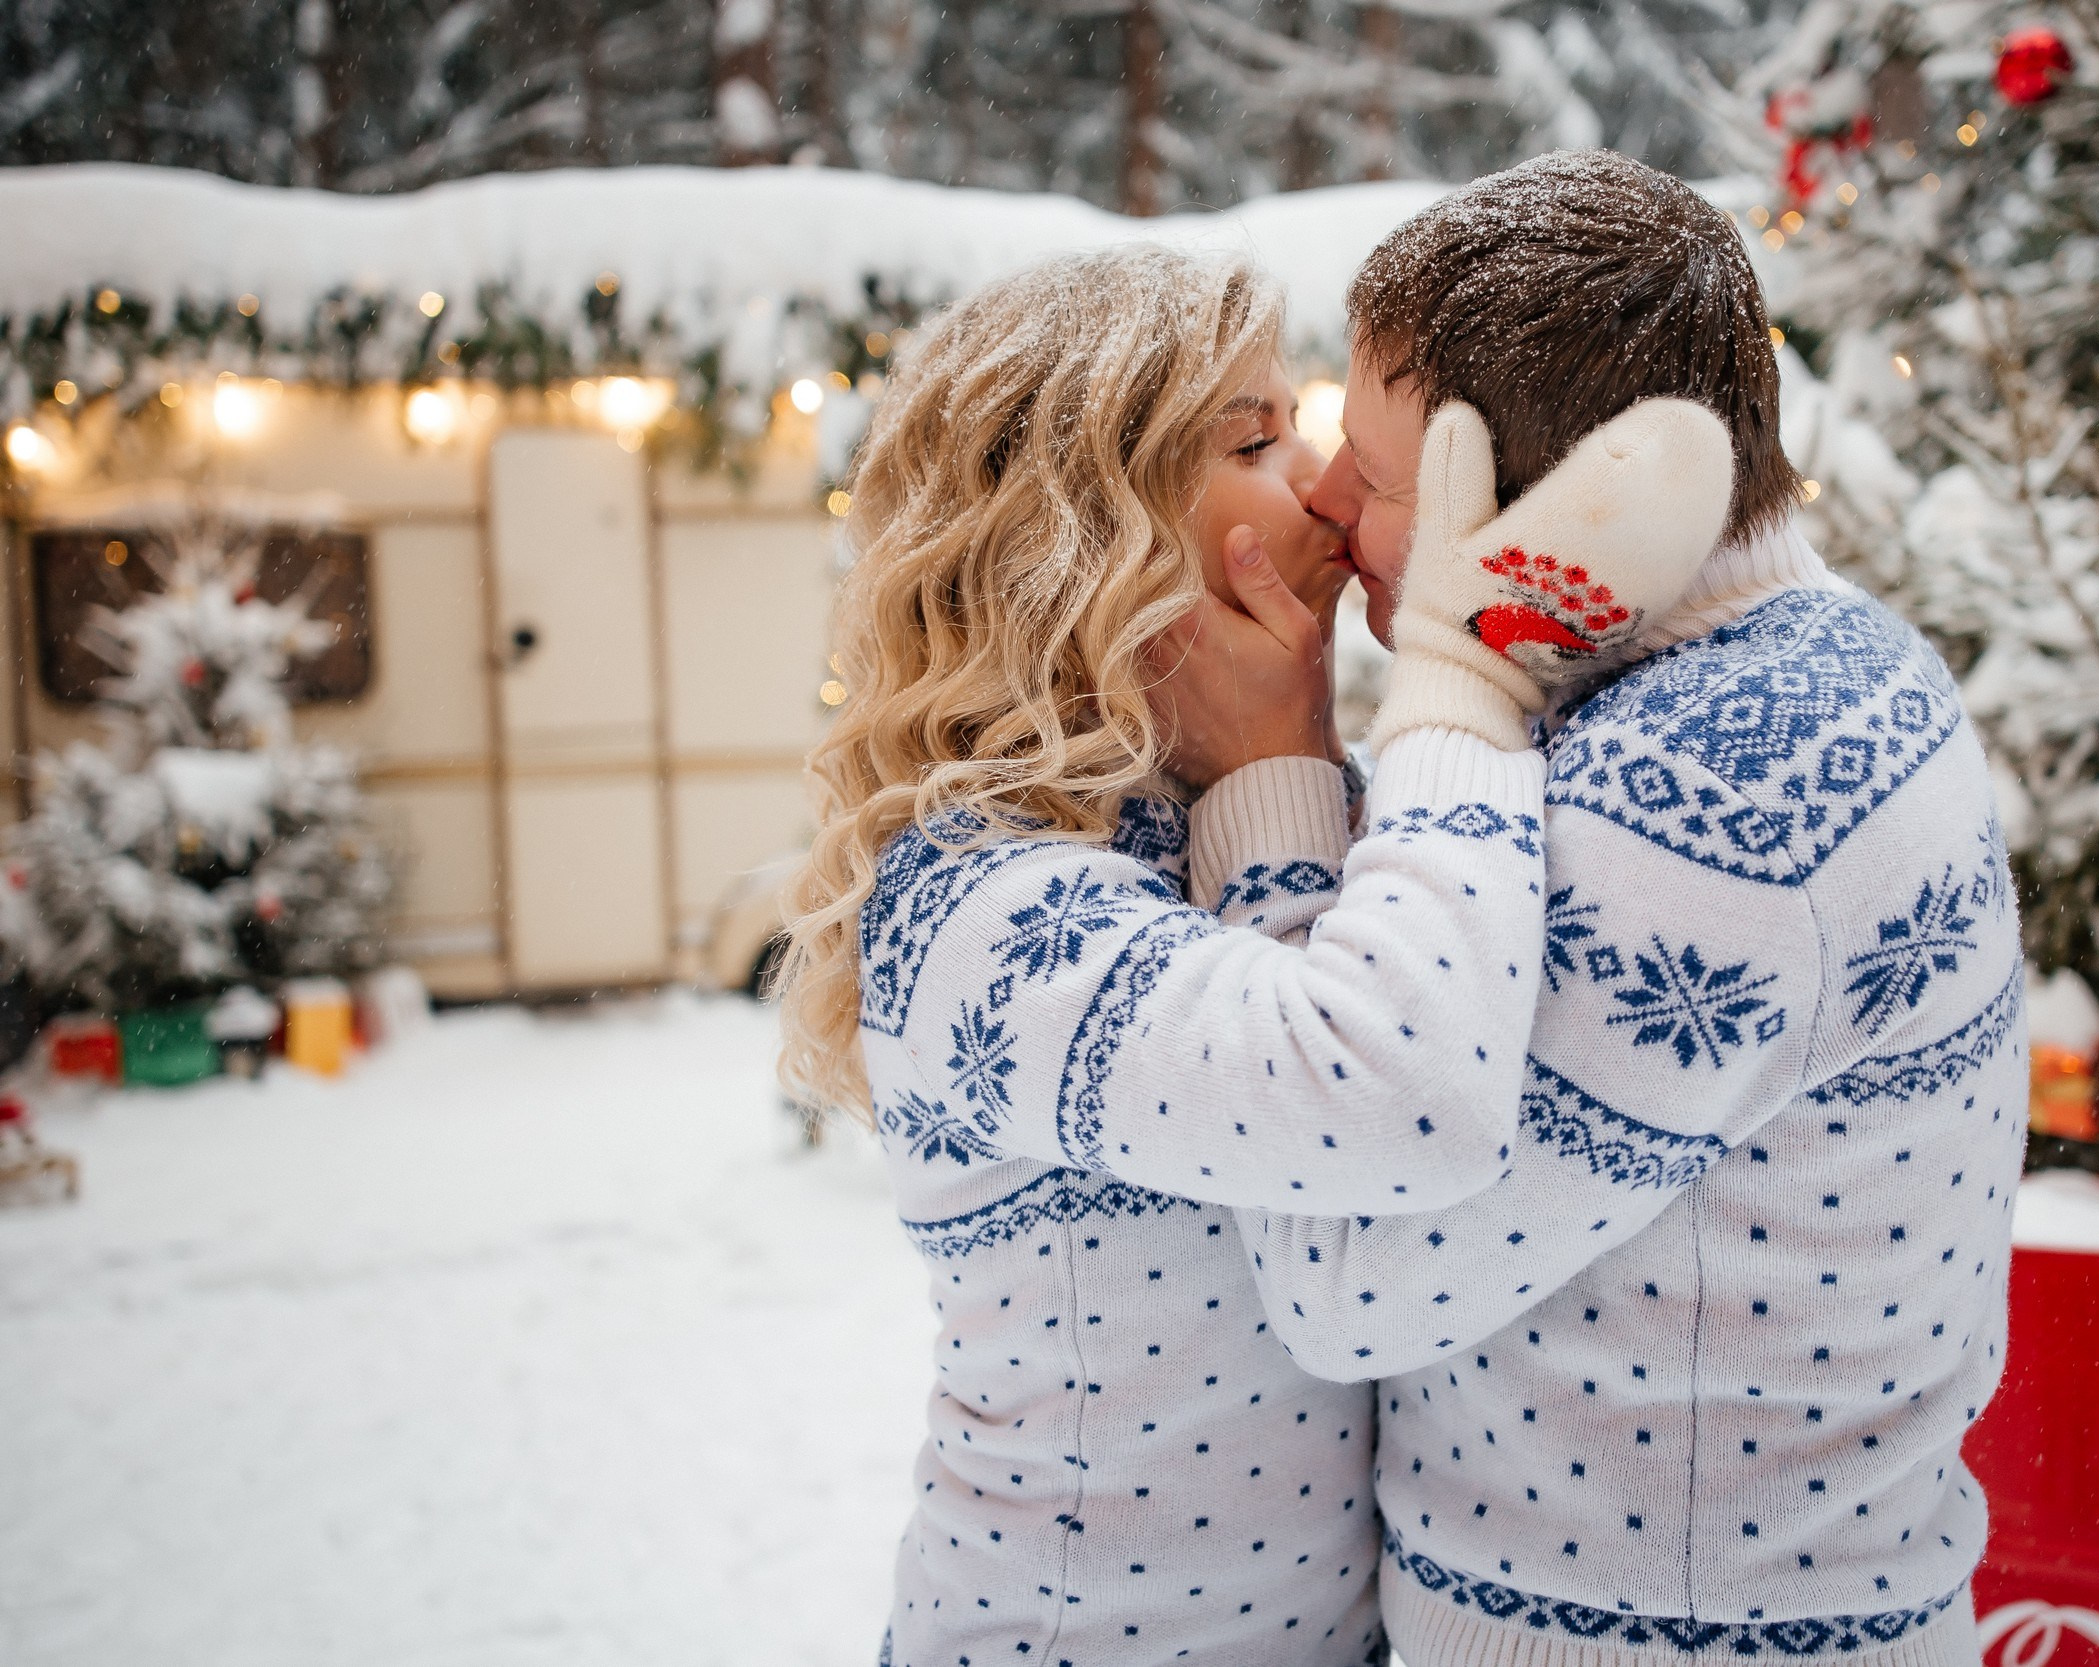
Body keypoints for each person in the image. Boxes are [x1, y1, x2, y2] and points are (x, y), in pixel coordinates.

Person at [772, 244, 1737, 1666]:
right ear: (1080, 526)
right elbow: (1392, 1106)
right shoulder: (975, 908)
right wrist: (1295, 754)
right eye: (1257, 436)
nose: (1322, 476)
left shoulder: (1272, 808)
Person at [1207, 151, 2024, 1667]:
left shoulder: (1702, 815)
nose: (1322, 499)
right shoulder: (1826, 666)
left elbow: (1344, 1283)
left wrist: (1269, 787)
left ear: (1557, 516)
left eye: (1383, 481)